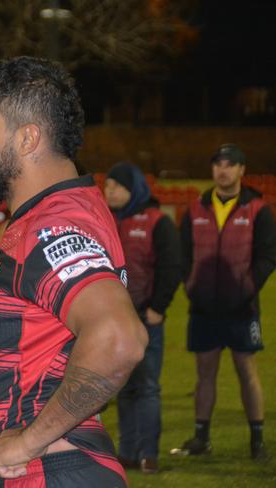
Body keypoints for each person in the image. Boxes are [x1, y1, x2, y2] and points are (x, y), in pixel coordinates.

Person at [0, 56, 148, 487]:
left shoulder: (50, 227)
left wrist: (29, 442)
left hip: (44, 472)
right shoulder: (54, 214)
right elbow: (40, 349)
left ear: (27, 139)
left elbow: (119, 338)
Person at [172, 143, 276, 461]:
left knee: (247, 370)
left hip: (242, 308)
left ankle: (257, 440)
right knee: (205, 373)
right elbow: (182, 254)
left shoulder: (258, 209)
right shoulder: (195, 208)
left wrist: (246, 287)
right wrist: (191, 286)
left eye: (230, 164)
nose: (223, 169)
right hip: (203, 308)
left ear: (242, 170)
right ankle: (201, 438)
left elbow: (267, 256)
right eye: (218, 163)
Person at [104, 162, 181, 474]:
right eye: (106, 186)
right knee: (123, 386)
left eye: (115, 186)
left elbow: (172, 266)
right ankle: (128, 452)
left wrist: (158, 308)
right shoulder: (104, 221)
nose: (108, 191)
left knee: (147, 386)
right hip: (112, 321)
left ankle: (149, 453)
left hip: (145, 318)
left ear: (132, 189)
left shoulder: (157, 222)